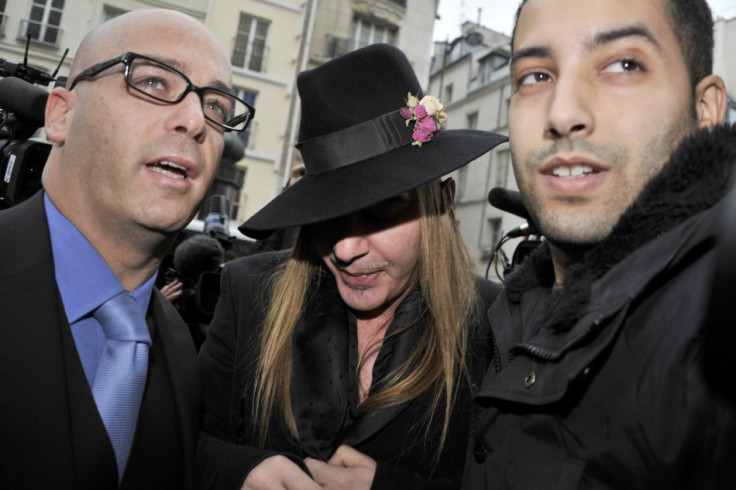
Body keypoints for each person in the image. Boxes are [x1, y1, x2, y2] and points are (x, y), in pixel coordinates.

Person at [197, 43, 507, 490]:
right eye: (327, 216)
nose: (344, 250)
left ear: (444, 201)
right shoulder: (248, 292)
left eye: (381, 212)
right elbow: (183, 444)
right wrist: (238, 471)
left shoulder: (498, 324)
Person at [463, 0, 736, 488]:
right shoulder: (522, 304)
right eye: (535, 76)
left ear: (706, 109)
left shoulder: (711, 310)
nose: (562, 112)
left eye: (623, 65)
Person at [0, 8, 254, 490]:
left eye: (217, 107)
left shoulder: (182, 353)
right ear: (61, 115)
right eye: (155, 82)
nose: (195, 120)